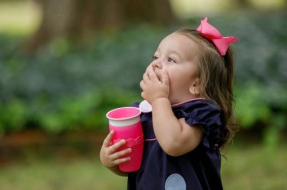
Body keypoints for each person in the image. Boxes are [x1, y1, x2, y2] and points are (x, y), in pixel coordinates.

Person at [100, 17, 238, 190]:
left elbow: (174, 143)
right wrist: (112, 161)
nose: (156, 63)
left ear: (196, 83)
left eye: (171, 60)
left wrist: (159, 99)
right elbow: (134, 167)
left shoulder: (201, 114)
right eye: (156, 56)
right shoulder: (142, 114)